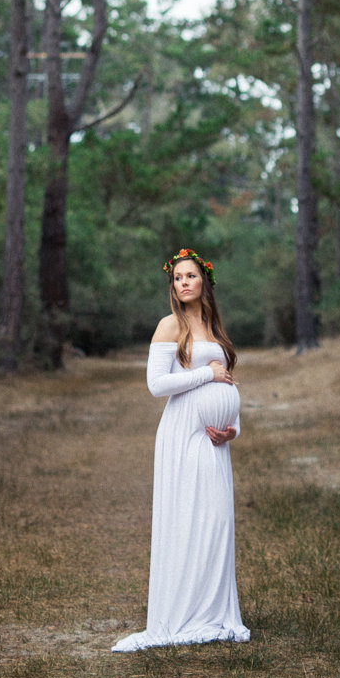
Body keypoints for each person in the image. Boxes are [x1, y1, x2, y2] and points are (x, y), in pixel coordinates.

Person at [111, 248, 250, 652]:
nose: (183, 282)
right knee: (193, 519)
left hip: (214, 441)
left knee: (217, 522)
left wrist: (233, 430)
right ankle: (185, 613)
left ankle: (212, 613)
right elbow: (157, 385)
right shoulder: (169, 326)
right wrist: (205, 372)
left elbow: (228, 385)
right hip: (184, 436)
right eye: (177, 278)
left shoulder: (213, 327)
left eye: (190, 275)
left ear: (205, 280)